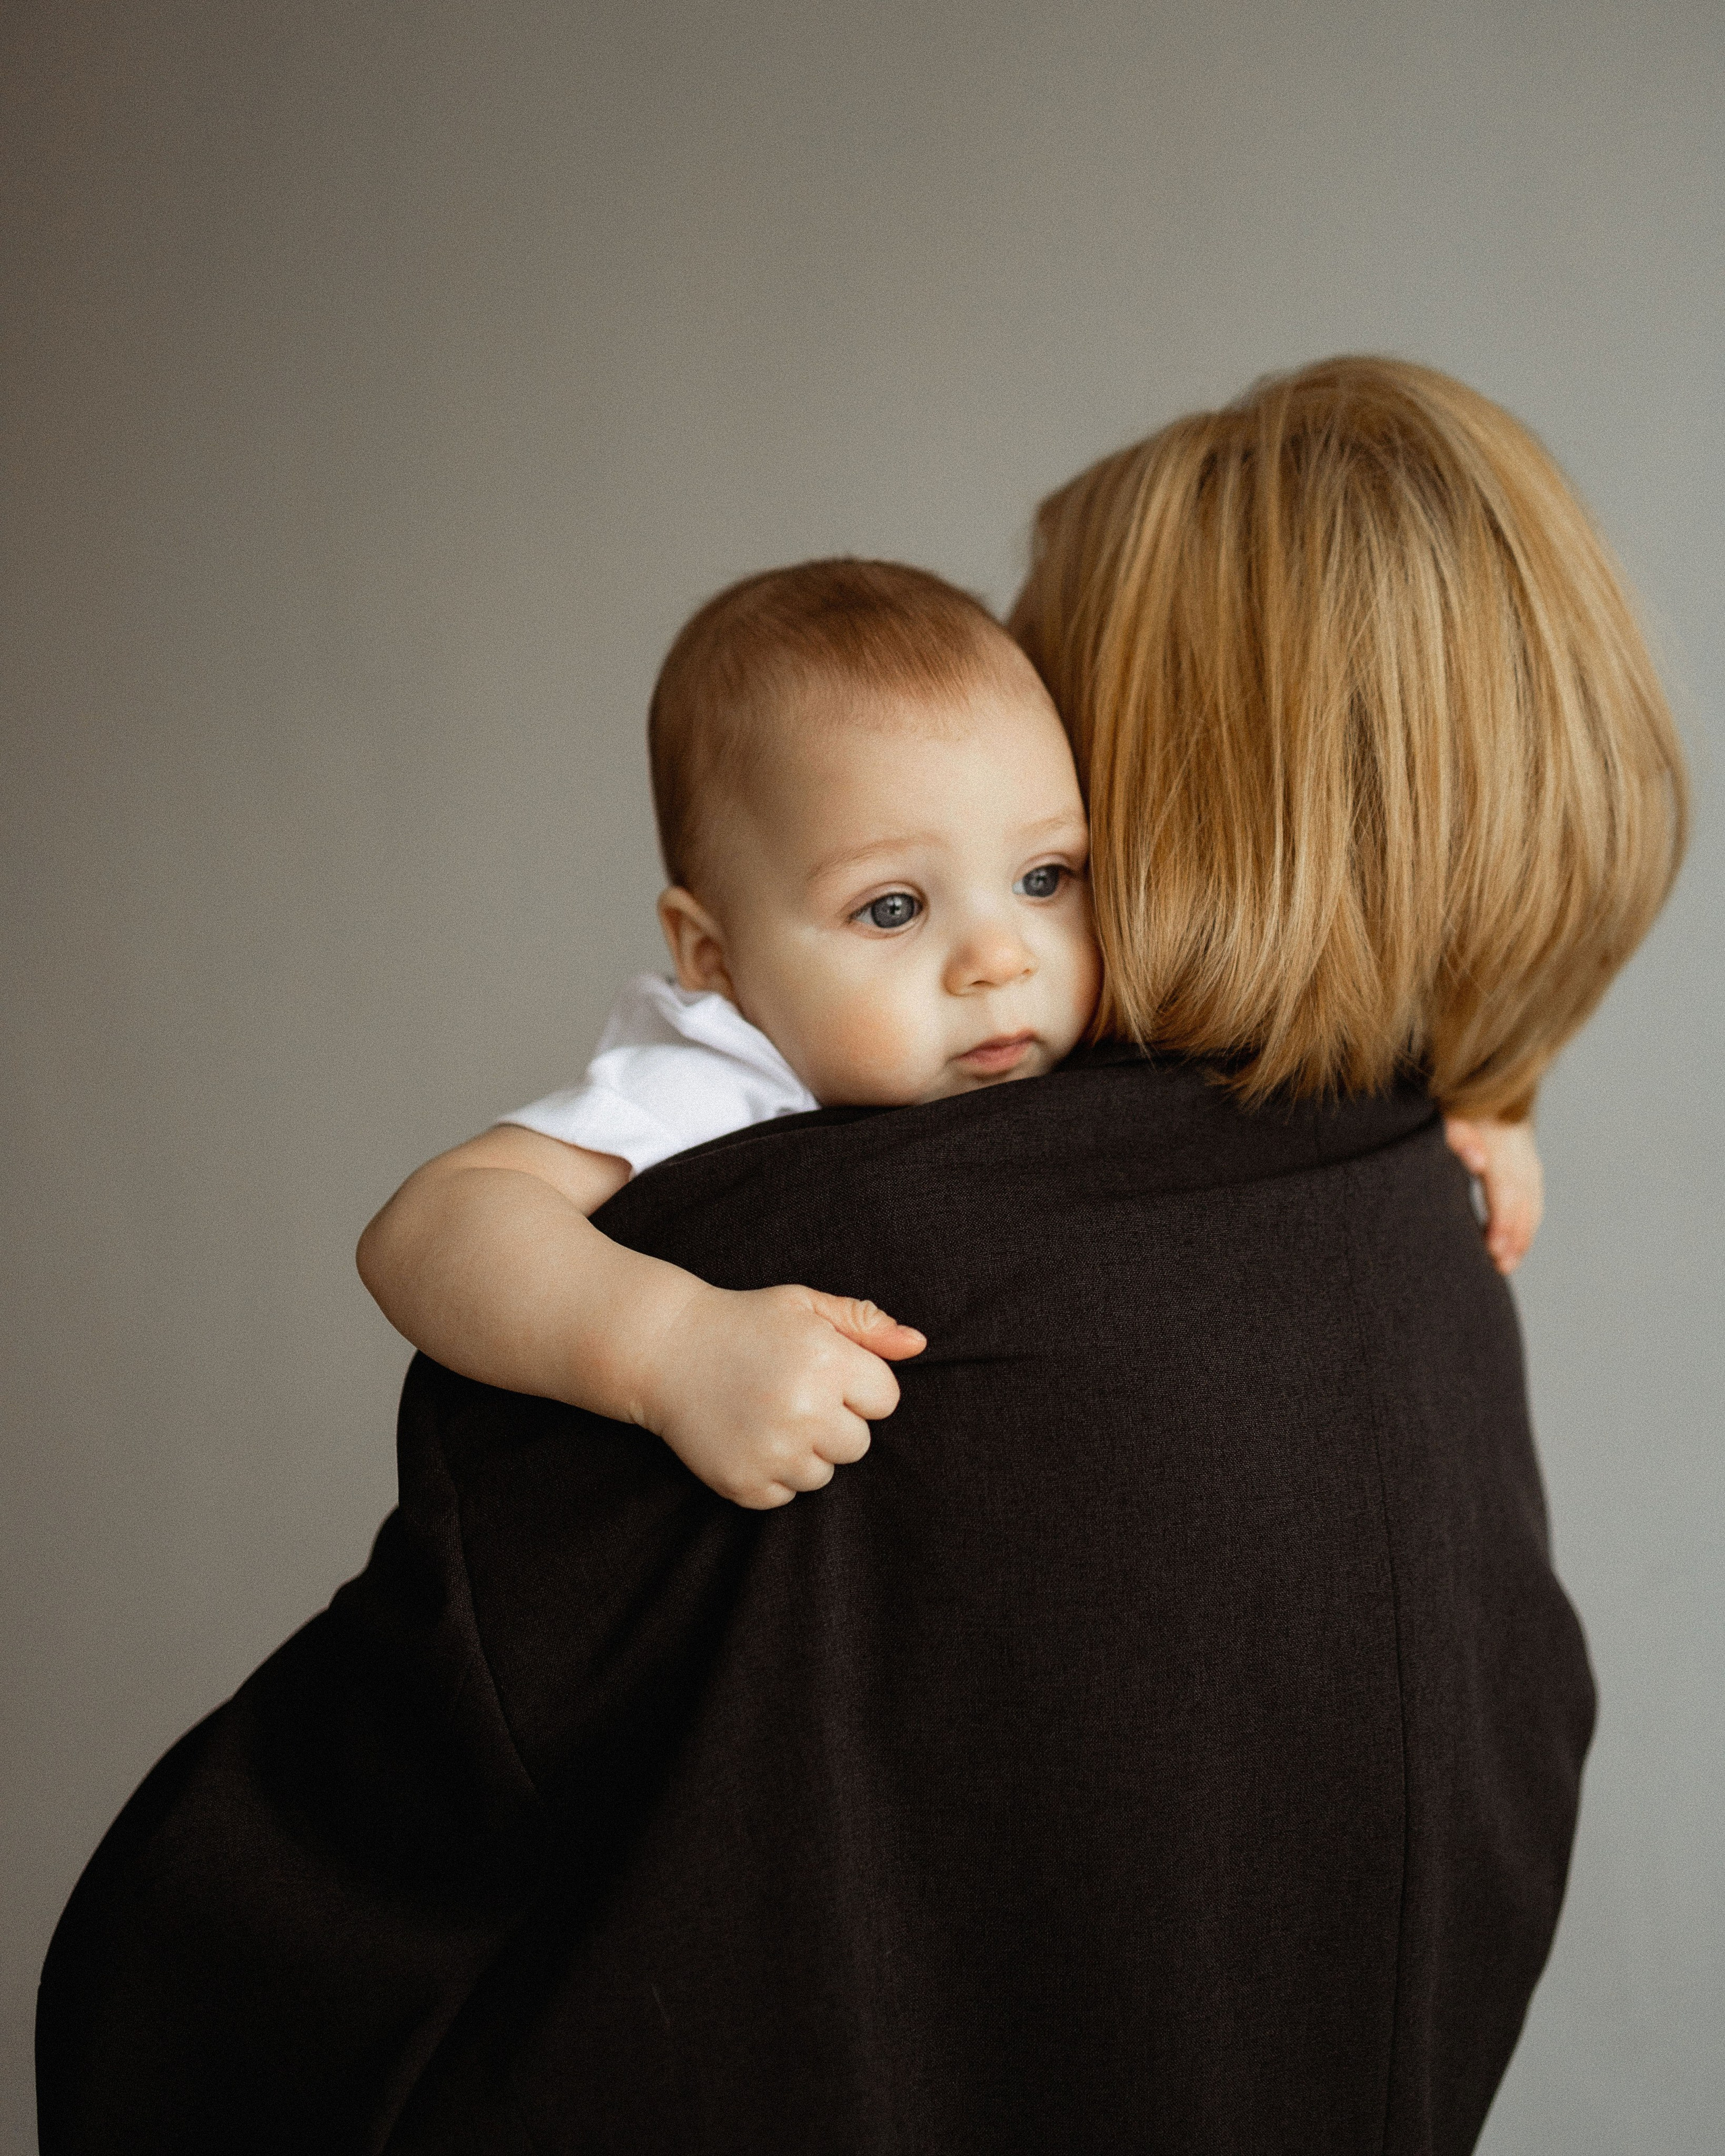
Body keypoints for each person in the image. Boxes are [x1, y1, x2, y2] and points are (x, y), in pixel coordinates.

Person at [37, 358, 1683, 2155]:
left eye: (1048, 850)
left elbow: (238, 1956)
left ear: (1162, 779)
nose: (989, 950)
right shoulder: (1435, 1240)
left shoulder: (817, 1251)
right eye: (899, 897)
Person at [354, 557, 1541, 1512]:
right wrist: (671, 1347)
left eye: (1044, 877)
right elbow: (433, 1225)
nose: (1000, 958)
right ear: (713, 957)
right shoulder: (716, 1080)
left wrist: (1467, 1097)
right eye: (892, 908)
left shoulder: (1051, 1025)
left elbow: (1273, 1033)